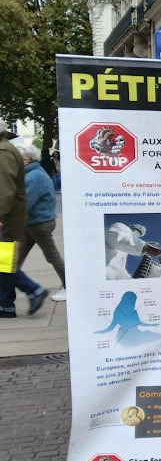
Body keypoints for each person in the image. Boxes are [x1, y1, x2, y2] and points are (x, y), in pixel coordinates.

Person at [0, 120, 49, 318]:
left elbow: (4, 190)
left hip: (7, 218)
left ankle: (33, 289)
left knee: (4, 261)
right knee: (3, 262)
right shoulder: (6, 149)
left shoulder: (3, 152)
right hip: (9, 217)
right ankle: (6, 305)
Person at [16, 144, 66, 300]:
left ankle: (69, 287)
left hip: (39, 224)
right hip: (33, 223)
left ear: (27, 159)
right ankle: (6, 288)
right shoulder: (32, 174)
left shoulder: (34, 176)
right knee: (14, 259)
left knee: (52, 257)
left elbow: (24, 204)